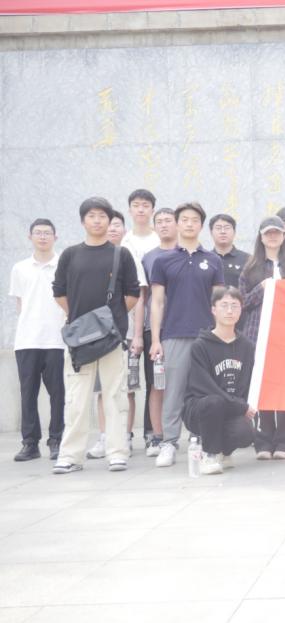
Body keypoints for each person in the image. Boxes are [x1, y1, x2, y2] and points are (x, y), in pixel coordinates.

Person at [51, 197, 140, 474]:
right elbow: (59, 292)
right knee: (76, 399)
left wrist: (110, 322)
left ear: (110, 221)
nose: (98, 220)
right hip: (79, 339)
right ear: (83, 221)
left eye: (103, 216)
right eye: (92, 215)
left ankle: (117, 452)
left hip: (112, 339)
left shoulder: (121, 254)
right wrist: (83, 321)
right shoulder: (70, 255)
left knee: (115, 396)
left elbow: (132, 294)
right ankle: (71, 456)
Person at [150, 202, 225, 467]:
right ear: (177, 224)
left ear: (201, 225)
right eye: (184, 219)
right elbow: (157, 302)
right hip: (174, 334)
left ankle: (201, 439)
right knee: (173, 392)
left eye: (195, 220)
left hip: (207, 337)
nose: (189, 224)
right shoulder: (163, 261)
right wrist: (156, 339)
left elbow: (219, 302)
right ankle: (169, 442)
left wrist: (220, 336)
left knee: (204, 391)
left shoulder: (213, 260)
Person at [238, 216, 285, 459]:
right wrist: (262, 288)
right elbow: (241, 303)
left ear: (284, 236)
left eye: (277, 232)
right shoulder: (250, 268)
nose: (273, 236)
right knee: (261, 388)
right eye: (268, 233)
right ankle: (264, 442)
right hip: (257, 335)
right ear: (261, 237)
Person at [182, 286, 256, 475]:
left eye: (234, 306)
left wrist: (243, 406)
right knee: (214, 402)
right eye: (224, 305)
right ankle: (209, 454)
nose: (229, 311)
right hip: (200, 408)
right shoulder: (200, 345)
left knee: (246, 432)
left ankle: (224, 451)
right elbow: (203, 386)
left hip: (230, 407)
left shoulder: (246, 347)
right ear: (213, 310)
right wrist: (239, 406)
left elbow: (245, 385)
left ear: (241, 310)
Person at [10, 218, 66, 461]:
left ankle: (57, 440)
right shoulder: (20, 268)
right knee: (28, 394)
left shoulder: (64, 265)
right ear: (30, 237)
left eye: (47, 233)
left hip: (57, 340)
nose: (42, 236)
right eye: (38, 233)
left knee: (58, 394)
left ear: (55, 237)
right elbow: (20, 304)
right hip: (27, 340)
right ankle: (30, 444)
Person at [86, 211, 138, 460]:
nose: (111, 228)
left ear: (123, 230)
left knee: (124, 389)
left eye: (117, 225)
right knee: (101, 390)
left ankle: (123, 436)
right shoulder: (86, 257)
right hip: (95, 335)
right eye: (109, 224)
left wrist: (115, 318)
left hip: (122, 334)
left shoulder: (126, 256)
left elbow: (136, 296)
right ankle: (105, 436)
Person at [121, 189, 161, 448]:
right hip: (127, 326)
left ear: (152, 210)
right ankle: (122, 435)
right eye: (136, 205)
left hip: (155, 324)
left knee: (155, 381)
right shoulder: (124, 243)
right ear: (130, 210)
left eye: (145, 205)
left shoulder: (160, 241)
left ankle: (151, 433)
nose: (141, 209)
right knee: (128, 384)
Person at [141, 208, 178, 456]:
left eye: (168, 221)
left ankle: (194, 434)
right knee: (157, 383)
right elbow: (145, 297)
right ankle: (158, 436)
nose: (164, 225)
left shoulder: (188, 254)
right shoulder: (149, 258)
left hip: (182, 326)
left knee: (187, 383)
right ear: (154, 227)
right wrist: (146, 335)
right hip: (155, 329)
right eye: (160, 222)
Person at [210, 213, 250, 289]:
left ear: (234, 232)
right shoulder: (205, 259)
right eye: (218, 228)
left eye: (227, 228)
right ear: (211, 233)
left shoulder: (248, 259)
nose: (223, 231)